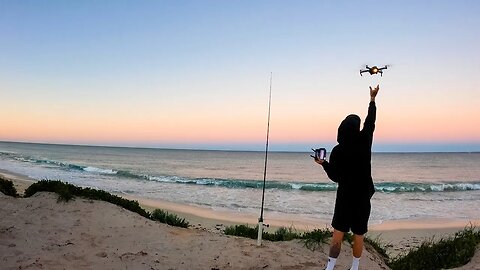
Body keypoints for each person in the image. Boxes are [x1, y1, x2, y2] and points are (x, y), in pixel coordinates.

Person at [314, 85, 379, 270]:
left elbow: (334, 176)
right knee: (359, 234)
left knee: (338, 234)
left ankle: (330, 267)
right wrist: (372, 100)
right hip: (362, 197)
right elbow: (371, 121)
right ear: (357, 127)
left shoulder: (338, 150)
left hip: (345, 197)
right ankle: (355, 267)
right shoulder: (365, 140)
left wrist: (323, 163)